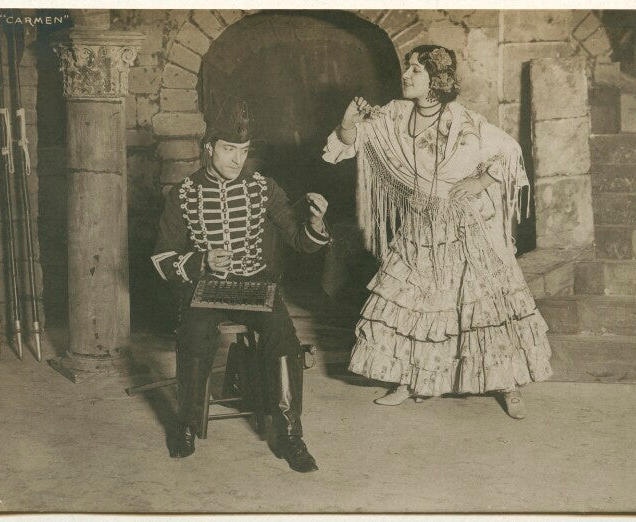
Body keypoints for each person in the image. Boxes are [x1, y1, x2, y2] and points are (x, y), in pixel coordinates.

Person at [322, 45, 552, 418]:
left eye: (416, 69)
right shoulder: (394, 115)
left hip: (463, 225)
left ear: (436, 79)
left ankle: (508, 384)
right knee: (415, 301)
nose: (407, 75)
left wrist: (480, 180)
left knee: (480, 303)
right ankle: (410, 379)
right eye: (407, 68)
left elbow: (509, 150)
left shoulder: (463, 120)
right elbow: (349, 146)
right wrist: (348, 122)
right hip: (418, 224)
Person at [152, 96, 330, 471]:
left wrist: (315, 226)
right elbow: (162, 259)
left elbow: (301, 241)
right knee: (194, 334)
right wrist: (201, 261)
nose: (237, 159)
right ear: (209, 147)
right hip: (207, 289)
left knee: (283, 336)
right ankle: (185, 425)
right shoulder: (183, 194)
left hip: (256, 286)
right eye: (229, 149)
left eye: (243, 150)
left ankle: (290, 435)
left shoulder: (263, 187)